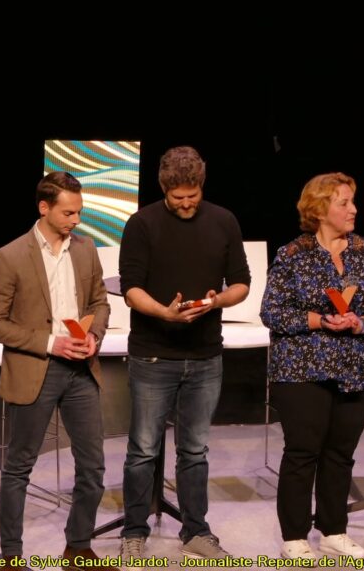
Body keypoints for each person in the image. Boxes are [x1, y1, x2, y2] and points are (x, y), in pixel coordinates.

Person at [117, 146, 251, 565]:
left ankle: (196, 531)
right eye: (178, 197)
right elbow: (130, 289)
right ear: (164, 189)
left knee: (195, 450)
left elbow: (241, 283)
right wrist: (165, 313)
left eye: (193, 195)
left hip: (206, 356)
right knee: (143, 450)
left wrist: (217, 301)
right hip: (153, 356)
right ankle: (134, 532)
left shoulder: (224, 221)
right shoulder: (142, 224)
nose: (187, 203)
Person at [259, 172, 364, 562]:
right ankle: (294, 536)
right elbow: (272, 312)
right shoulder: (292, 255)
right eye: (344, 202)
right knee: (302, 452)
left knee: (340, 454)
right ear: (320, 210)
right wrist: (320, 320)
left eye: (352, 201)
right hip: (302, 369)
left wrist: (361, 322)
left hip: (356, 369)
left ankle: (334, 530)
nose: (354, 209)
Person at [0, 171, 114, 571]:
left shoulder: (85, 249)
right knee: (19, 466)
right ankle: (11, 558)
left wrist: (95, 336)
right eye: (68, 213)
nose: (77, 220)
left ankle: (78, 549)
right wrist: (49, 342)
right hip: (37, 369)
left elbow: (100, 303)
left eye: (79, 212)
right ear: (44, 208)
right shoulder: (11, 255)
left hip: (81, 370)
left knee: (92, 464)